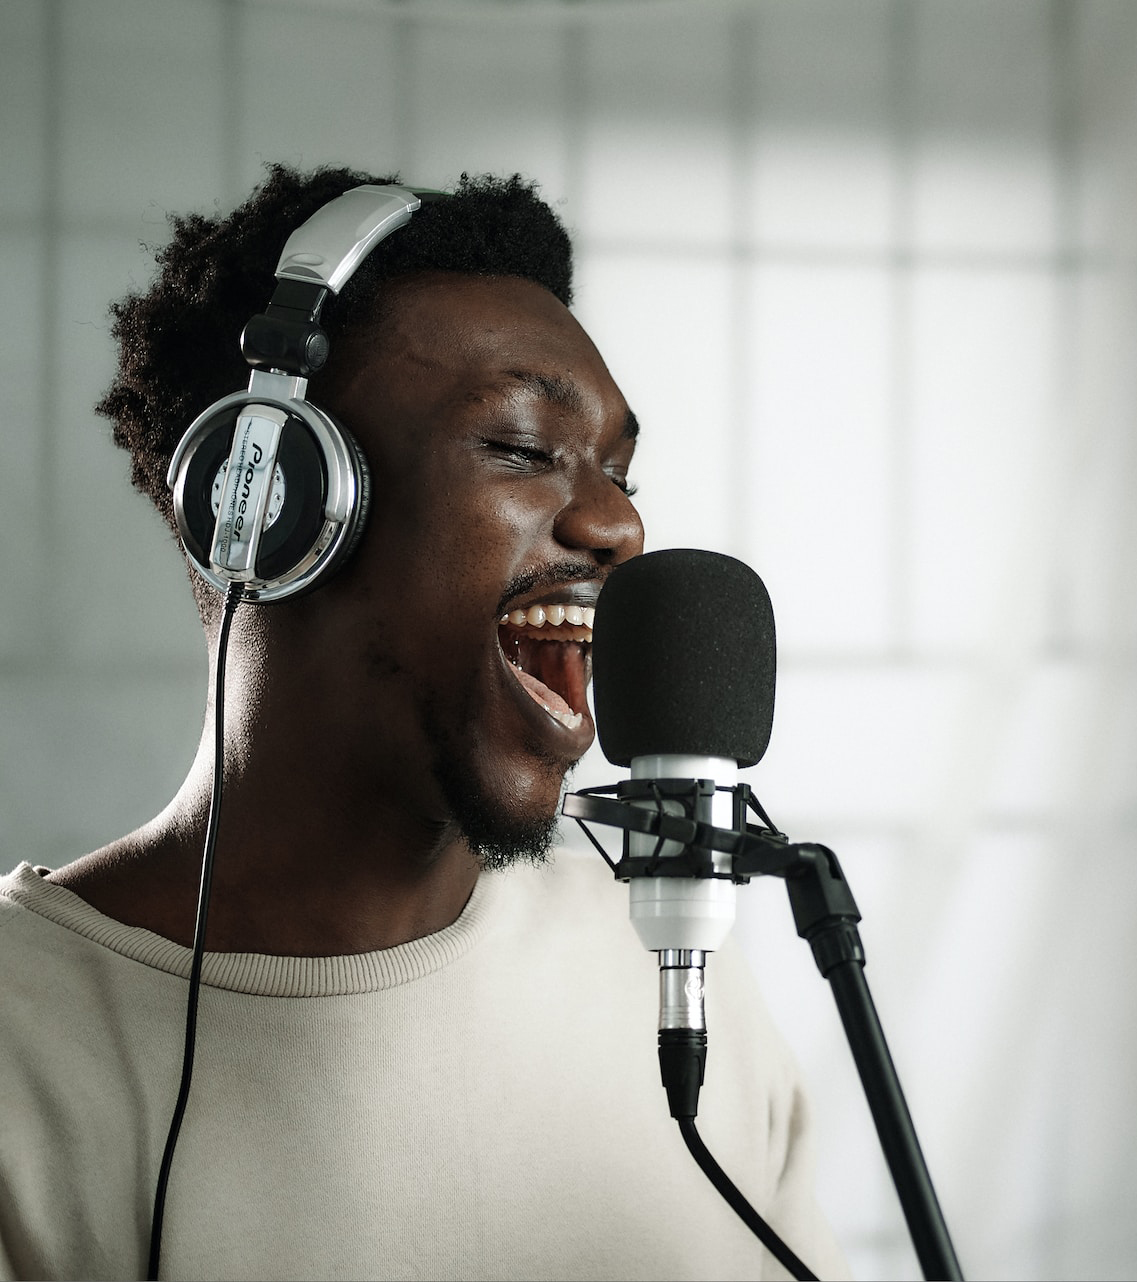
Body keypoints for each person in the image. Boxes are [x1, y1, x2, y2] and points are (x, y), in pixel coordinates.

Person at [0, 165, 848, 1281]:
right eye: (523, 448)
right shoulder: (23, 1048)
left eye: (620, 472)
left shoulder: (673, 958)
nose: (618, 523)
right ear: (273, 502)